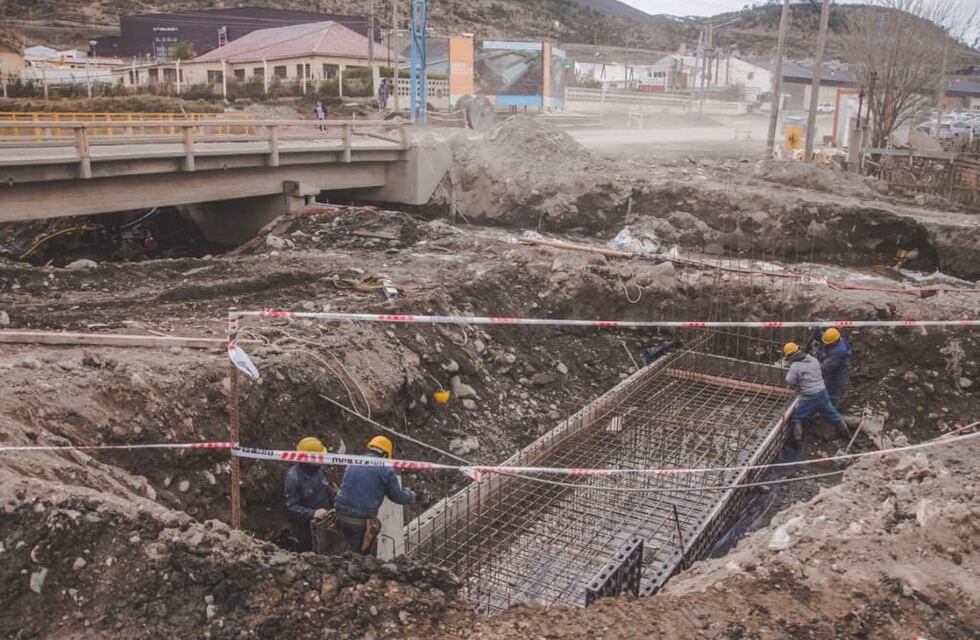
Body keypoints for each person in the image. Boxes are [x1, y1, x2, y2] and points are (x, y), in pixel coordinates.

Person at [333, 436, 417, 556]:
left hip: (340, 516)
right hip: (359, 522)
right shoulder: (386, 470)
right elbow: (397, 496)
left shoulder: (353, 461)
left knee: (348, 553)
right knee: (364, 558)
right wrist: (411, 495)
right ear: (385, 454)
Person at [783, 342, 851, 446]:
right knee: (833, 414)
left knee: (797, 417)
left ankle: (797, 443)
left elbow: (789, 381)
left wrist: (798, 379)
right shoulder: (813, 360)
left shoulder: (795, 366)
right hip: (822, 392)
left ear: (790, 355)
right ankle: (847, 434)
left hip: (810, 396)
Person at [283, 437, 336, 552]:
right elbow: (291, 507)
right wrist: (313, 513)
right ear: (310, 459)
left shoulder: (321, 470)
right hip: (304, 530)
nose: (323, 459)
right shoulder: (293, 478)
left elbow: (329, 489)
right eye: (320, 457)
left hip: (325, 522)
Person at [818, 327, 852, 409]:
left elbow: (824, 368)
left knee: (833, 393)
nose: (825, 344)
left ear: (834, 342)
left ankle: (831, 412)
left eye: (827, 343)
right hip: (833, 367)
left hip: (837, 374)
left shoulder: (838, 352)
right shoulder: (838, 339)